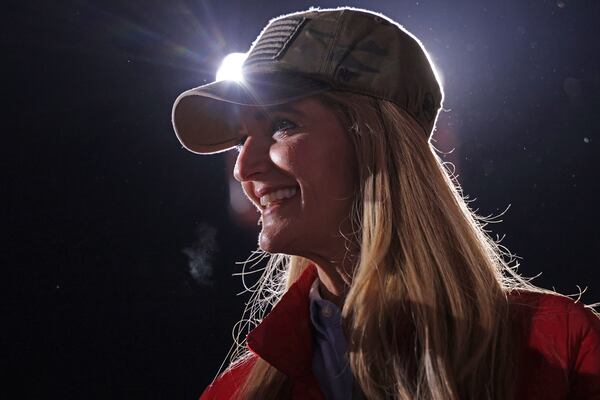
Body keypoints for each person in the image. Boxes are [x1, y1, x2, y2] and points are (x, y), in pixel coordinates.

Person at [171, 7, 600, 400]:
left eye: (283, 125)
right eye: (243, 137)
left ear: (377, 142)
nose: (243, 167)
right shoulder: (233, 394)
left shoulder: (561, 347)